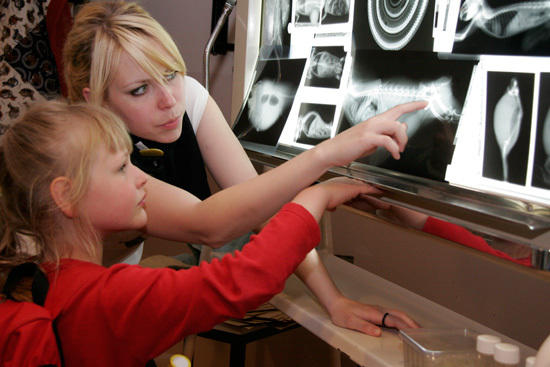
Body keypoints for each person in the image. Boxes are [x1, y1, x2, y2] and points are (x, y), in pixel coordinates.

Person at [63, 1, 427, 335]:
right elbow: (209, 225)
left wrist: (334, 301)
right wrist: (325, 159)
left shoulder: (184, 96)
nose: (169, 100)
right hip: (65, 307)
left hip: (109, 295)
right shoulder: (86, 154)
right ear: (95, 98)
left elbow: (263, 210)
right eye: (140, 90)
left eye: (170, 72)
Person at [0, 100, 401, 366]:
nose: (142, 180)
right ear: (65, 196)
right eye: (122, 167)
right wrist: (316, 196)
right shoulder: (107, 298)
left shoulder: (38, 281)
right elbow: (241, 279)